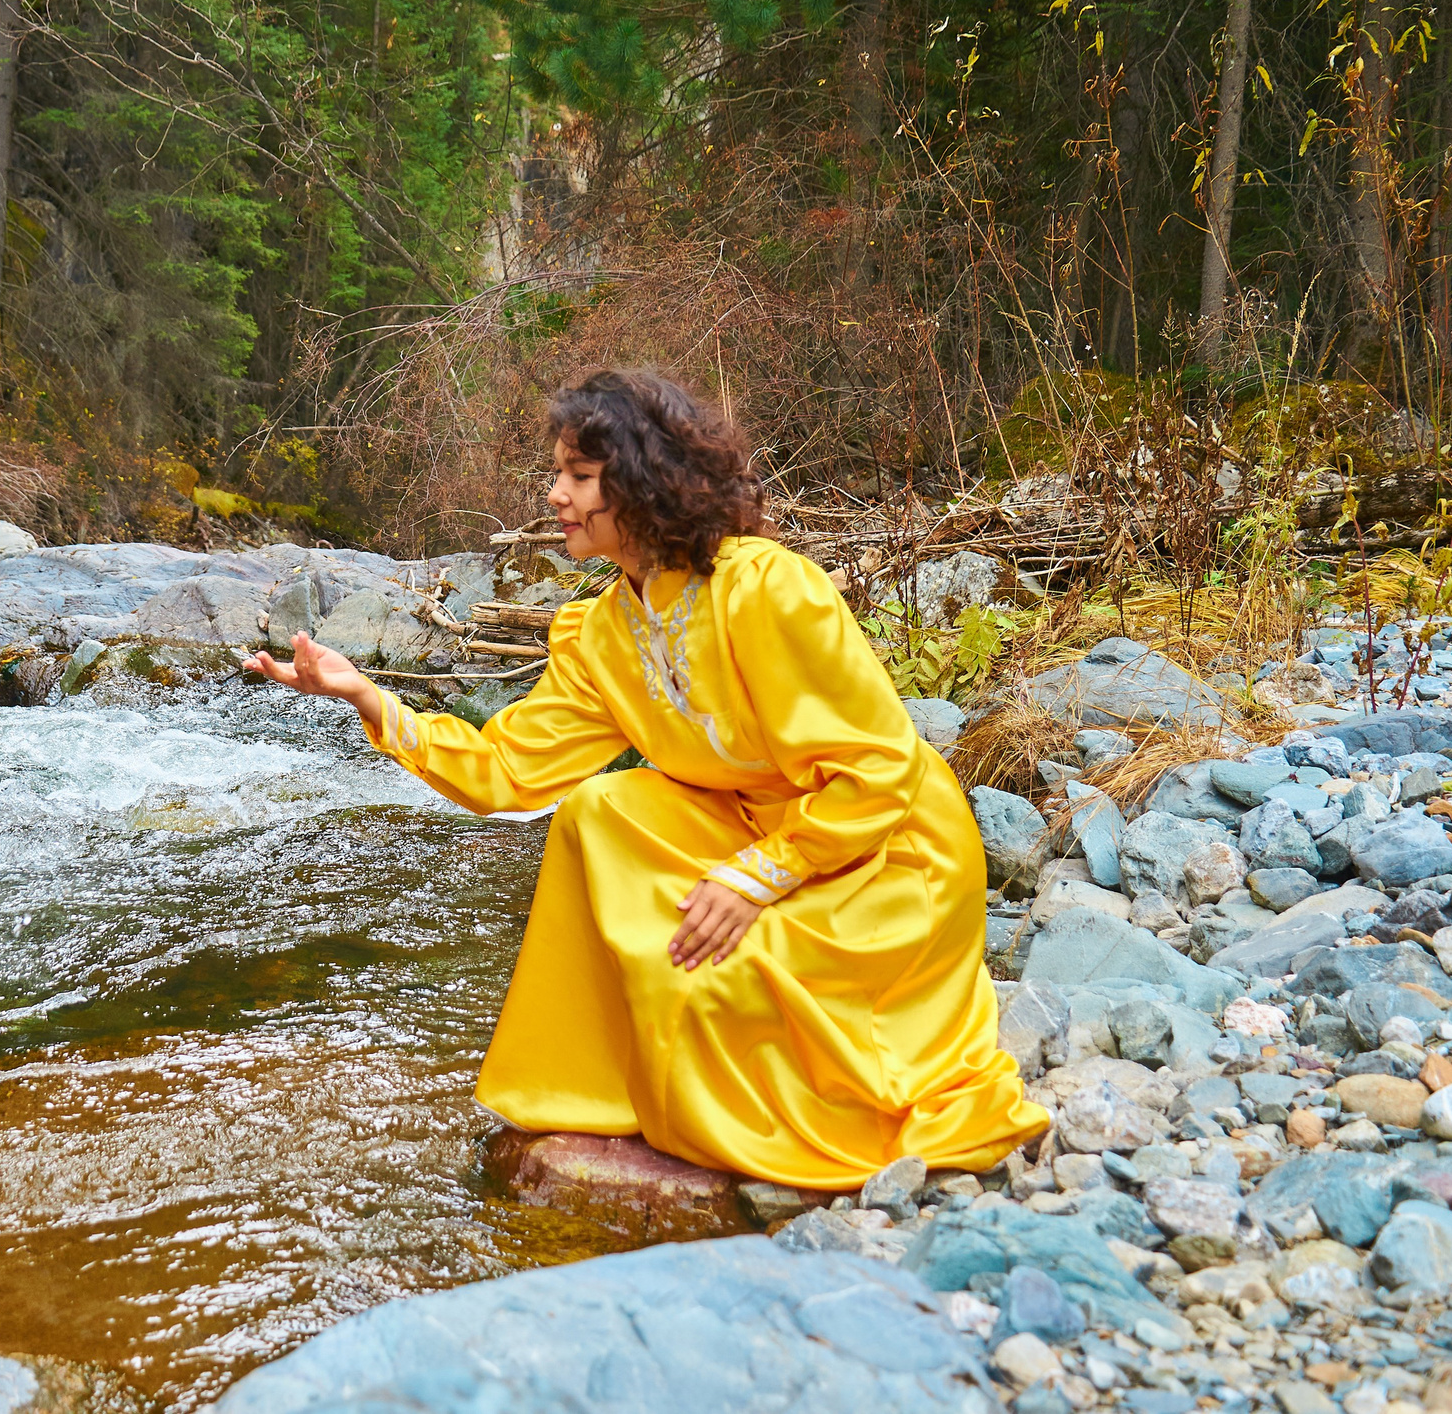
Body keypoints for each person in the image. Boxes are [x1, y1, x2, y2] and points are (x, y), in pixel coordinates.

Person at [244, 369, 1048, 1190]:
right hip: (752, 829)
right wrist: (368, 696)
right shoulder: (604, 632)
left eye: (579, 477)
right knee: (597, 810)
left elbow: (877, 769)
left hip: (882, 844)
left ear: (639, 482)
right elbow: (509, 768)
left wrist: (754, 879)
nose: (554, 494)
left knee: (716, 985)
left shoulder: (766, 589)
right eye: (560, 473)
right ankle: (600, 1083)